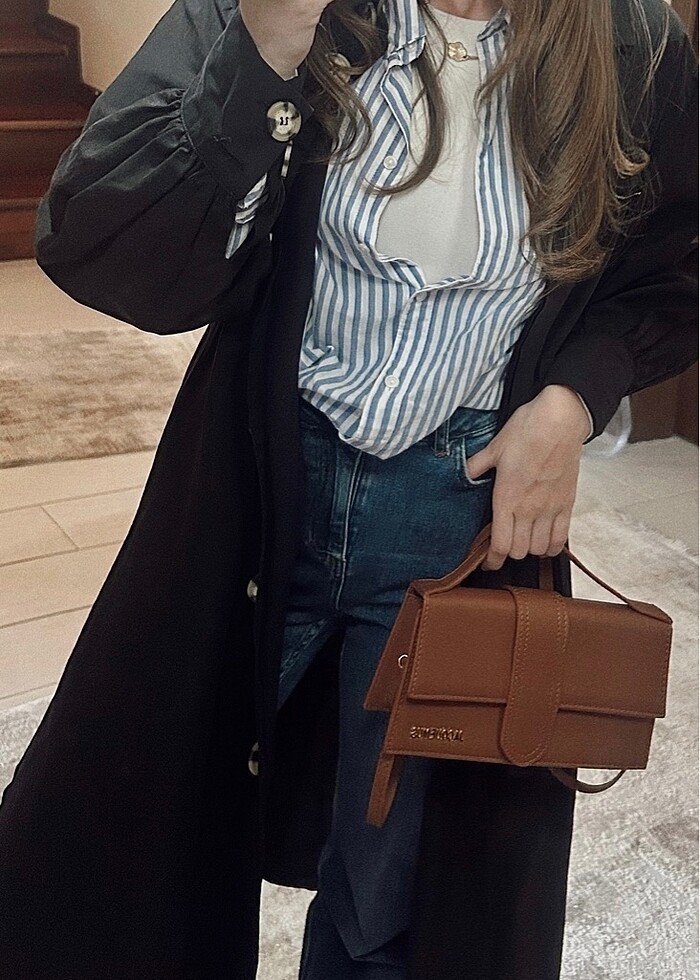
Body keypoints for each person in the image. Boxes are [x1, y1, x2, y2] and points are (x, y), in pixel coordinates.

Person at [0, 0, 696, 978]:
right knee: (140, 831)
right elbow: (97, 242)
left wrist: (571, 400)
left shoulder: (632, 45)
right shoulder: (288, 13)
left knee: (400, 892)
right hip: (260, 479)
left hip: (459, 512)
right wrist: (261, 54)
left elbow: (669, 265)